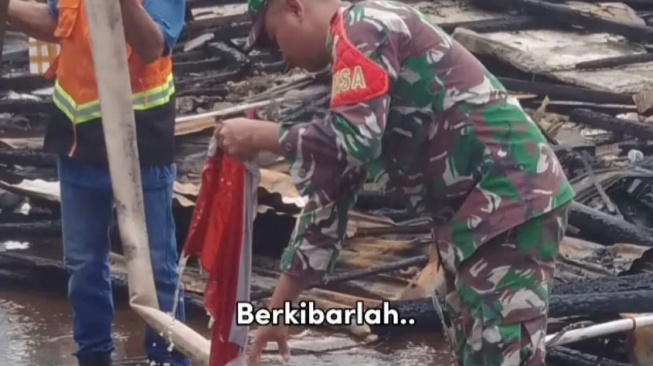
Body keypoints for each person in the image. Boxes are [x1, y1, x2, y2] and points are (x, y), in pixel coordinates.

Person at [217, 0, 576, 365]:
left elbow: (355, 140)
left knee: (502, 354)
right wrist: (279, 314)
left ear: (295, 8)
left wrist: (265, 135)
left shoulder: (364, 24)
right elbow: (330, 197)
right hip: (475, 221)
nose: (286, 60)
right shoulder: (352, 66)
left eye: (278, 41)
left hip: (510, 202)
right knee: (475, 352)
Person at [6, 0, 188, 365]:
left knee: (156, 267)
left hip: (140, 140)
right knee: (84, 265)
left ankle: (167, 356)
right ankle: (93, 356)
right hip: (77, 137)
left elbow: (154, 45)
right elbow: (59, 23)